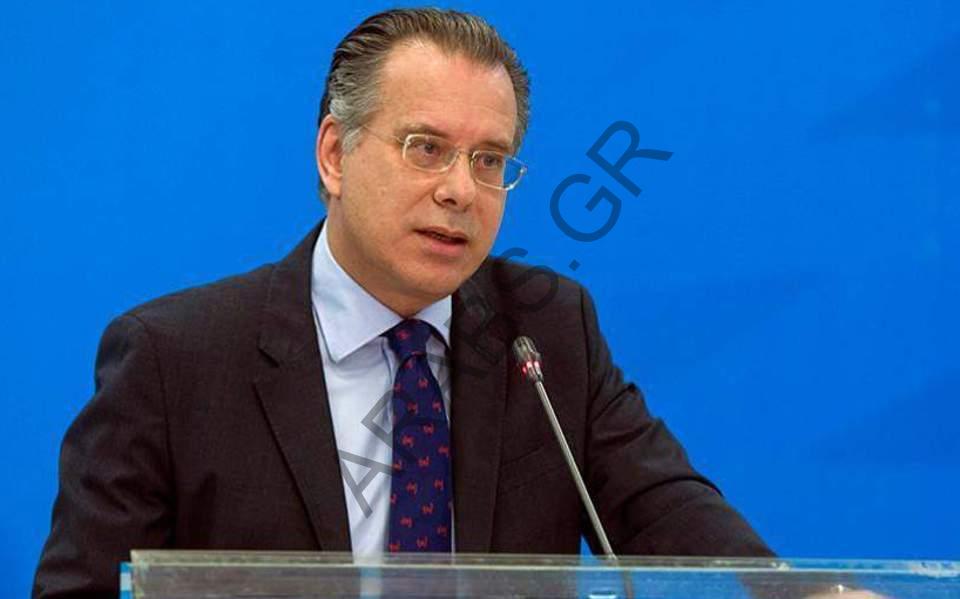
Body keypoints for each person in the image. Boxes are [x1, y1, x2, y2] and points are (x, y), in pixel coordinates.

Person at [34, 8, 777, 599]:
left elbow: (667, 511)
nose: (460, 190)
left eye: (489, 160)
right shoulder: (174, 360)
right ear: (335, 154)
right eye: (426, 148)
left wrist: (794, 591)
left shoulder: (547, 328)